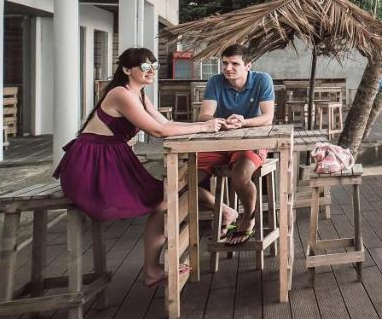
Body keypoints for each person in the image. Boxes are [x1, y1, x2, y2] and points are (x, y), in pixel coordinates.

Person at [54, 47, 225, 288]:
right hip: (91, 163)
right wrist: (204, 128)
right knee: (162, 200)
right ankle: (153, 269)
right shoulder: (121, 94)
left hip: (112, 156)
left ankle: (222, 213)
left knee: (165, 197)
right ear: (126, 70)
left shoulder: (140, 95)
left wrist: (208, 124)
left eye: (154, 67)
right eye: (145, 67)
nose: (151, 71)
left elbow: (165, 122)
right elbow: (158, 131)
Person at [197, 44, 275, 244]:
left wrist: (243, 121)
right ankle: (226, 212)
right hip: (219, 141)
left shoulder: (262, 79)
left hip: (251, 141)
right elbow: (204, 115)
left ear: (248, 65)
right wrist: (224, 122)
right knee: (185, 180)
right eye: (224, 63)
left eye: (234, 64)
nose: (228, 68)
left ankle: (248, 219)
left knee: (240, 175)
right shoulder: (215, 81)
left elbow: (268, 117)